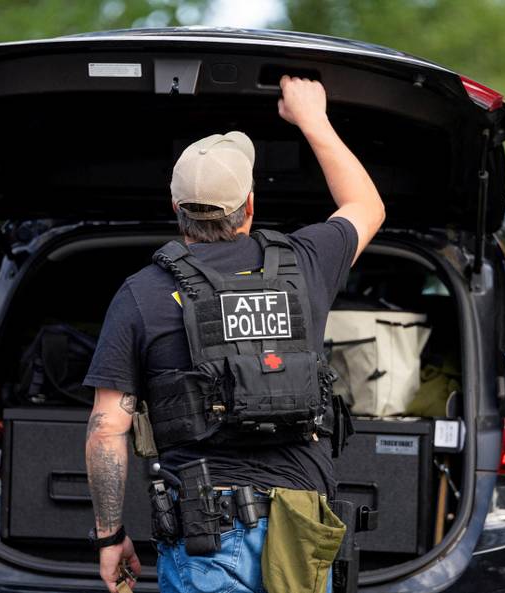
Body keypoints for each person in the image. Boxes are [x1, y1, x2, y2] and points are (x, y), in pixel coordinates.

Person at [84, 75, 385, 593]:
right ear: (249, 204)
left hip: (206, 532)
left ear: (175, 207)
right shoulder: (305, 262)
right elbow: (366, 205)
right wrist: (313, 119)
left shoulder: (142, 294)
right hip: (301, 525)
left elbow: (106, 429)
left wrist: (109, 536)